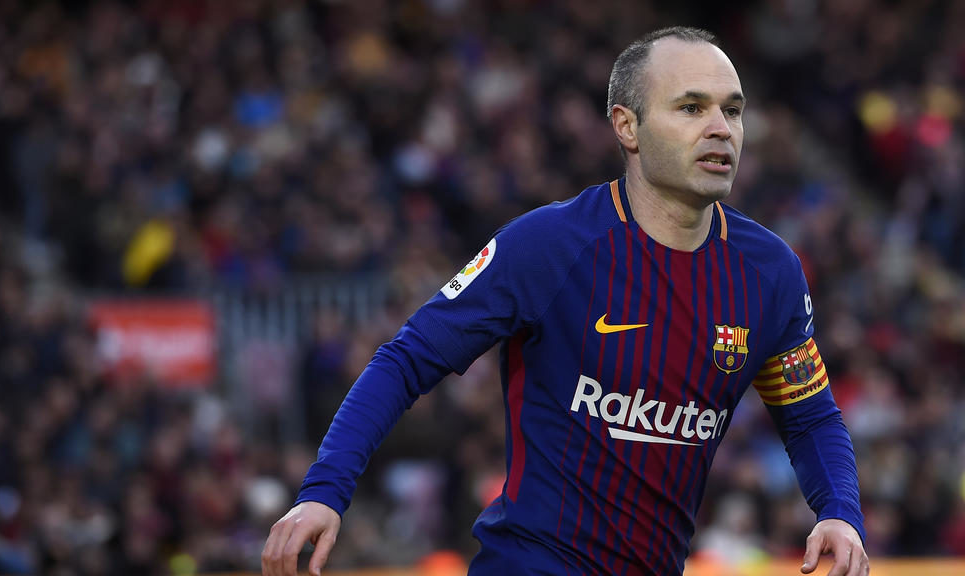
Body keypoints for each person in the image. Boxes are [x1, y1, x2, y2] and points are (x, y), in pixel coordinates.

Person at [262, 26, 869, 576]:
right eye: (691, 107)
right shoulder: (548, 246)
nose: (721, 128)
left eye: (732, 110)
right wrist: (324, 491)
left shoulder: (769, 273)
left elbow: (810, 415)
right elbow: (405, 361)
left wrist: (840, 513)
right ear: (627, 126)